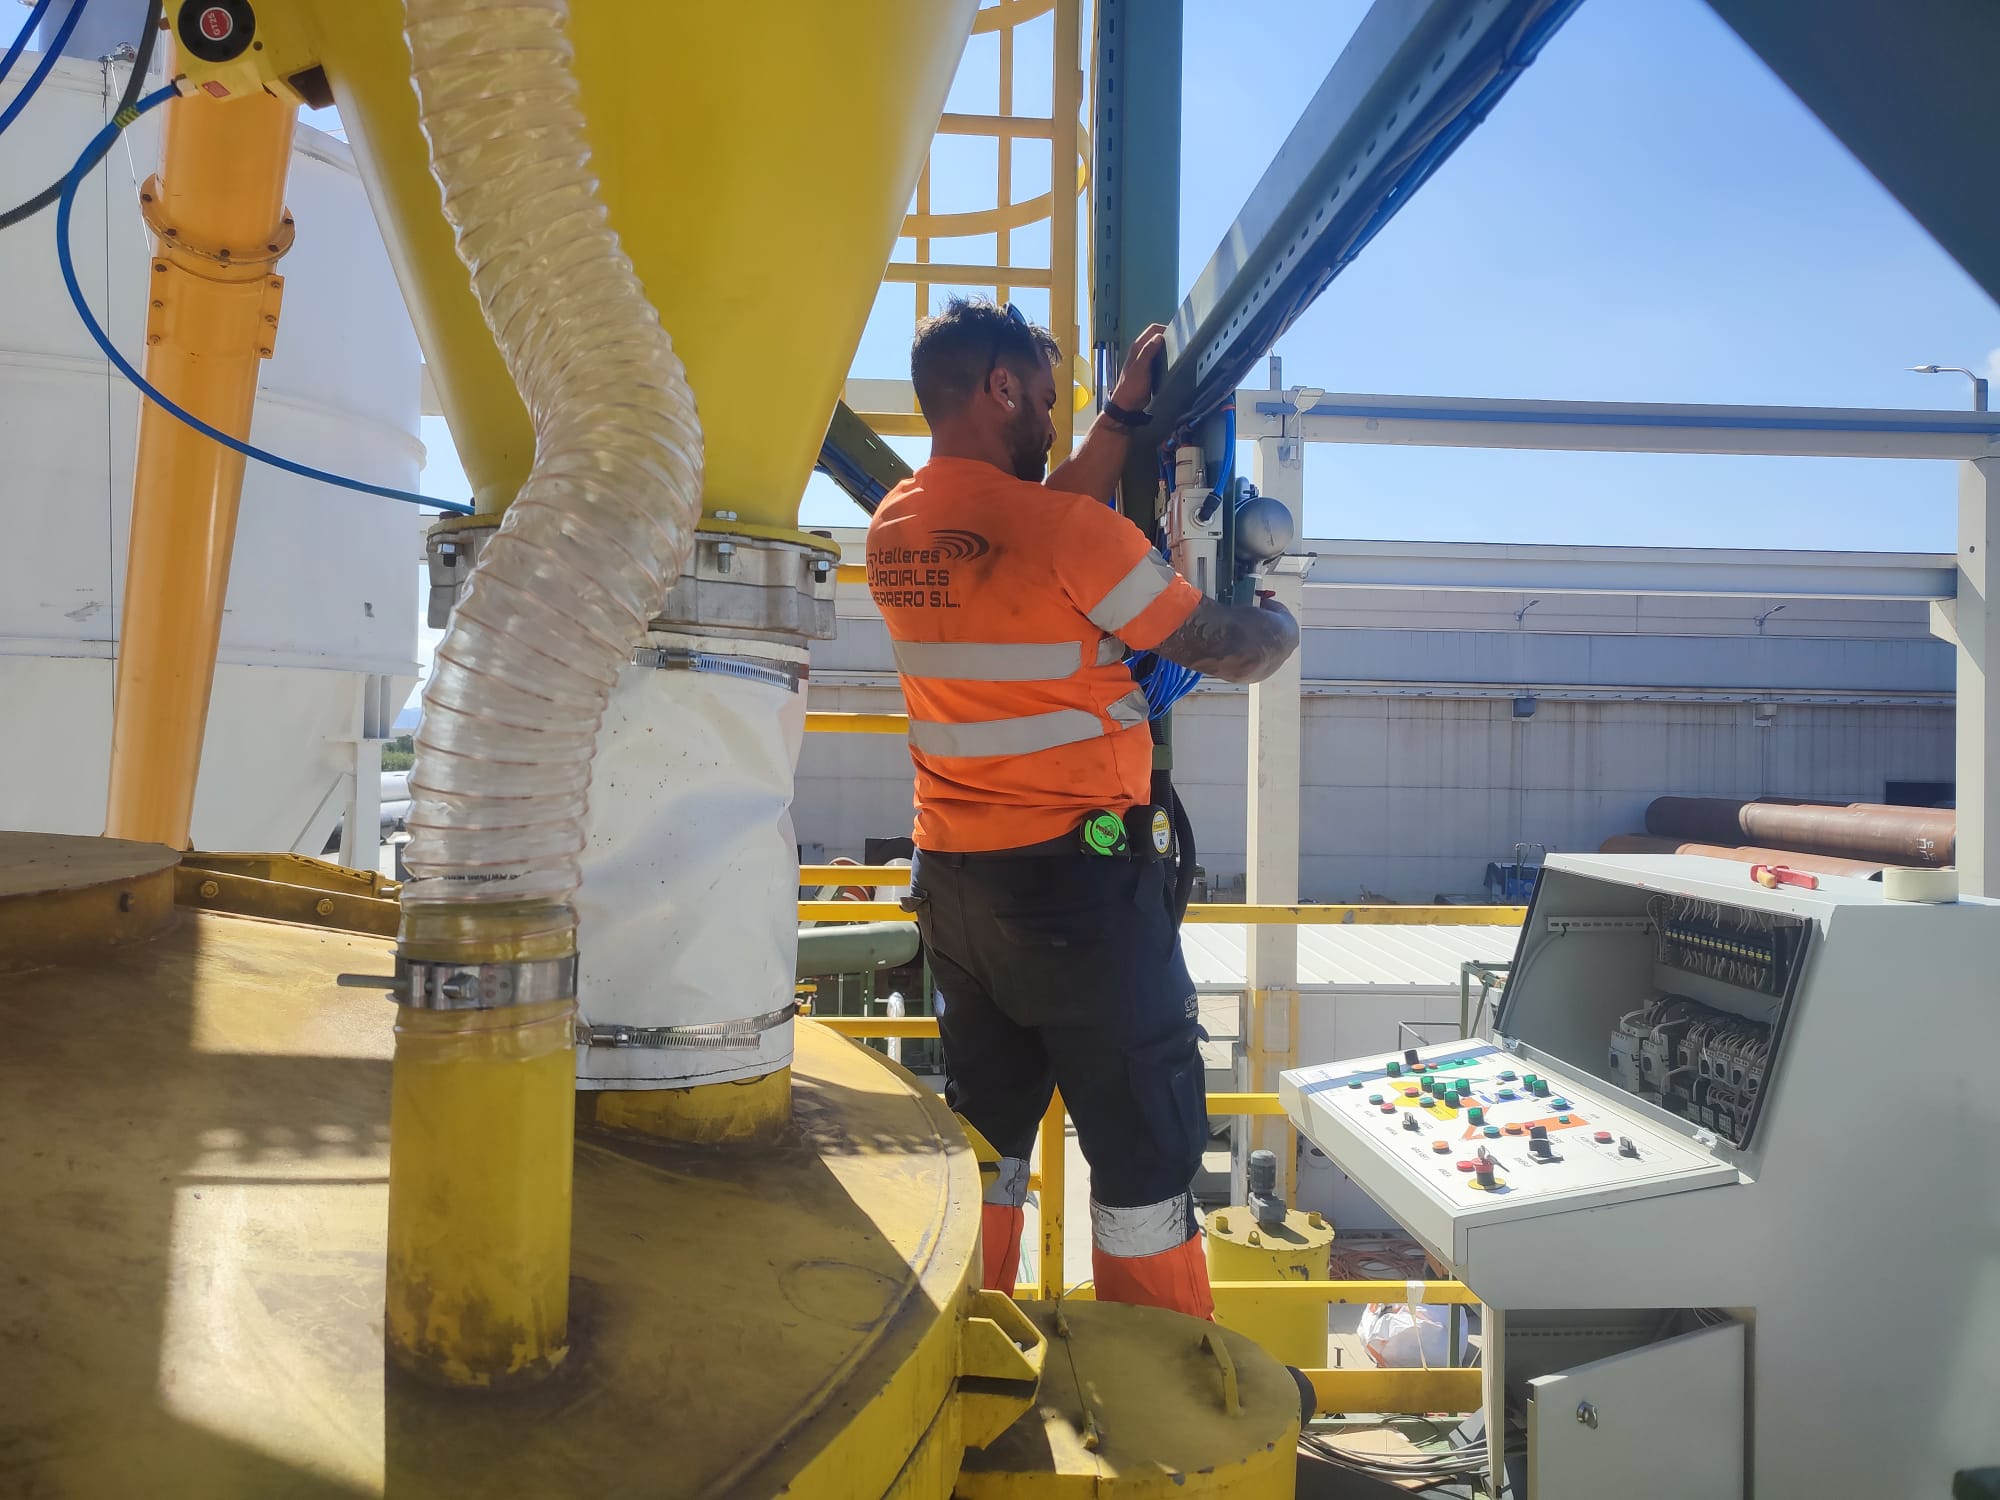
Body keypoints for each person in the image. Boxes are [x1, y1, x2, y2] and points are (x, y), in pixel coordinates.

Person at [866, 298, 1299, 1318]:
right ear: (998, 389)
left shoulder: (898, 525)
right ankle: (1162, 1407)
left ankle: (965, 1351)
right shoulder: (1068, 533)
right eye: (1045, 402)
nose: (1053, 421)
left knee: (988, 1144)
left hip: (957, 896)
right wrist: (1277, 620)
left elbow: (1028, 525)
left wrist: (1113, 424)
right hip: (1076, 898)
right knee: (1144, 1155)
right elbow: (1220, 647)